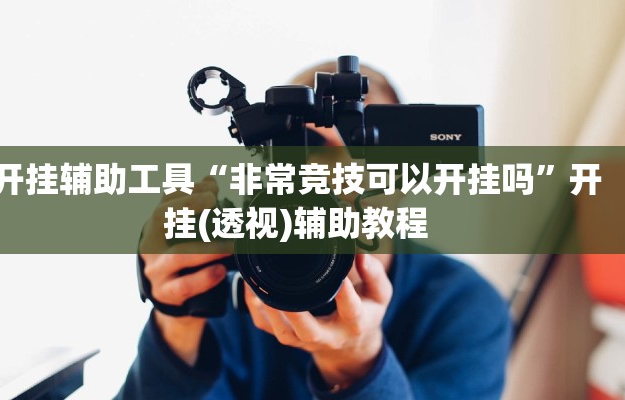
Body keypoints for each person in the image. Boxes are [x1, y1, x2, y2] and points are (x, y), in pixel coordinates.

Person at [116, 61, 512, 399]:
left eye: (366, 148)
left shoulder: (462, 306)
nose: (343, 173)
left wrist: (356, 363)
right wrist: (177, 318)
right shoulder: (231, 280)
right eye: (312, 149)